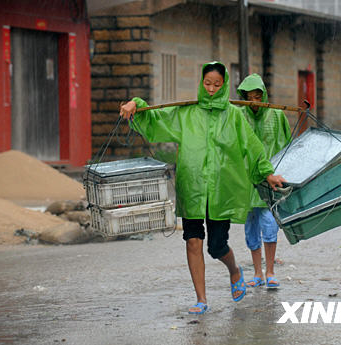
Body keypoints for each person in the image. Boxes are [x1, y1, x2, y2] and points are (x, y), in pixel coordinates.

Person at [119, 62, 285, 315]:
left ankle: (234, 270)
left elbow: (252, 148)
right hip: (192, 187)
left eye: (217, 84)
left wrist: (267, 173)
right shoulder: (187, 113)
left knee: (216, 246)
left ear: (224, 85)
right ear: (201, 82)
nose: (211, 89)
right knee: (193, 241)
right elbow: (155, 120)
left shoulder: (234, 115)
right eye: (207, 83)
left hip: (221, 191)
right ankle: (201, 299)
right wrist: (136, 104)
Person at [236, 73, 291, 289]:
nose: (254, 102)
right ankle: (257, 272)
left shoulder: (276, 116)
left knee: (269, 225)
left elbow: (287, 144)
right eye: (250, 97)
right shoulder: (239, 115)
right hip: (248, 179)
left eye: (258, 96)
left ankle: (270, 271)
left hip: (271, 179)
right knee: (251, 227)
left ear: (264, 95)